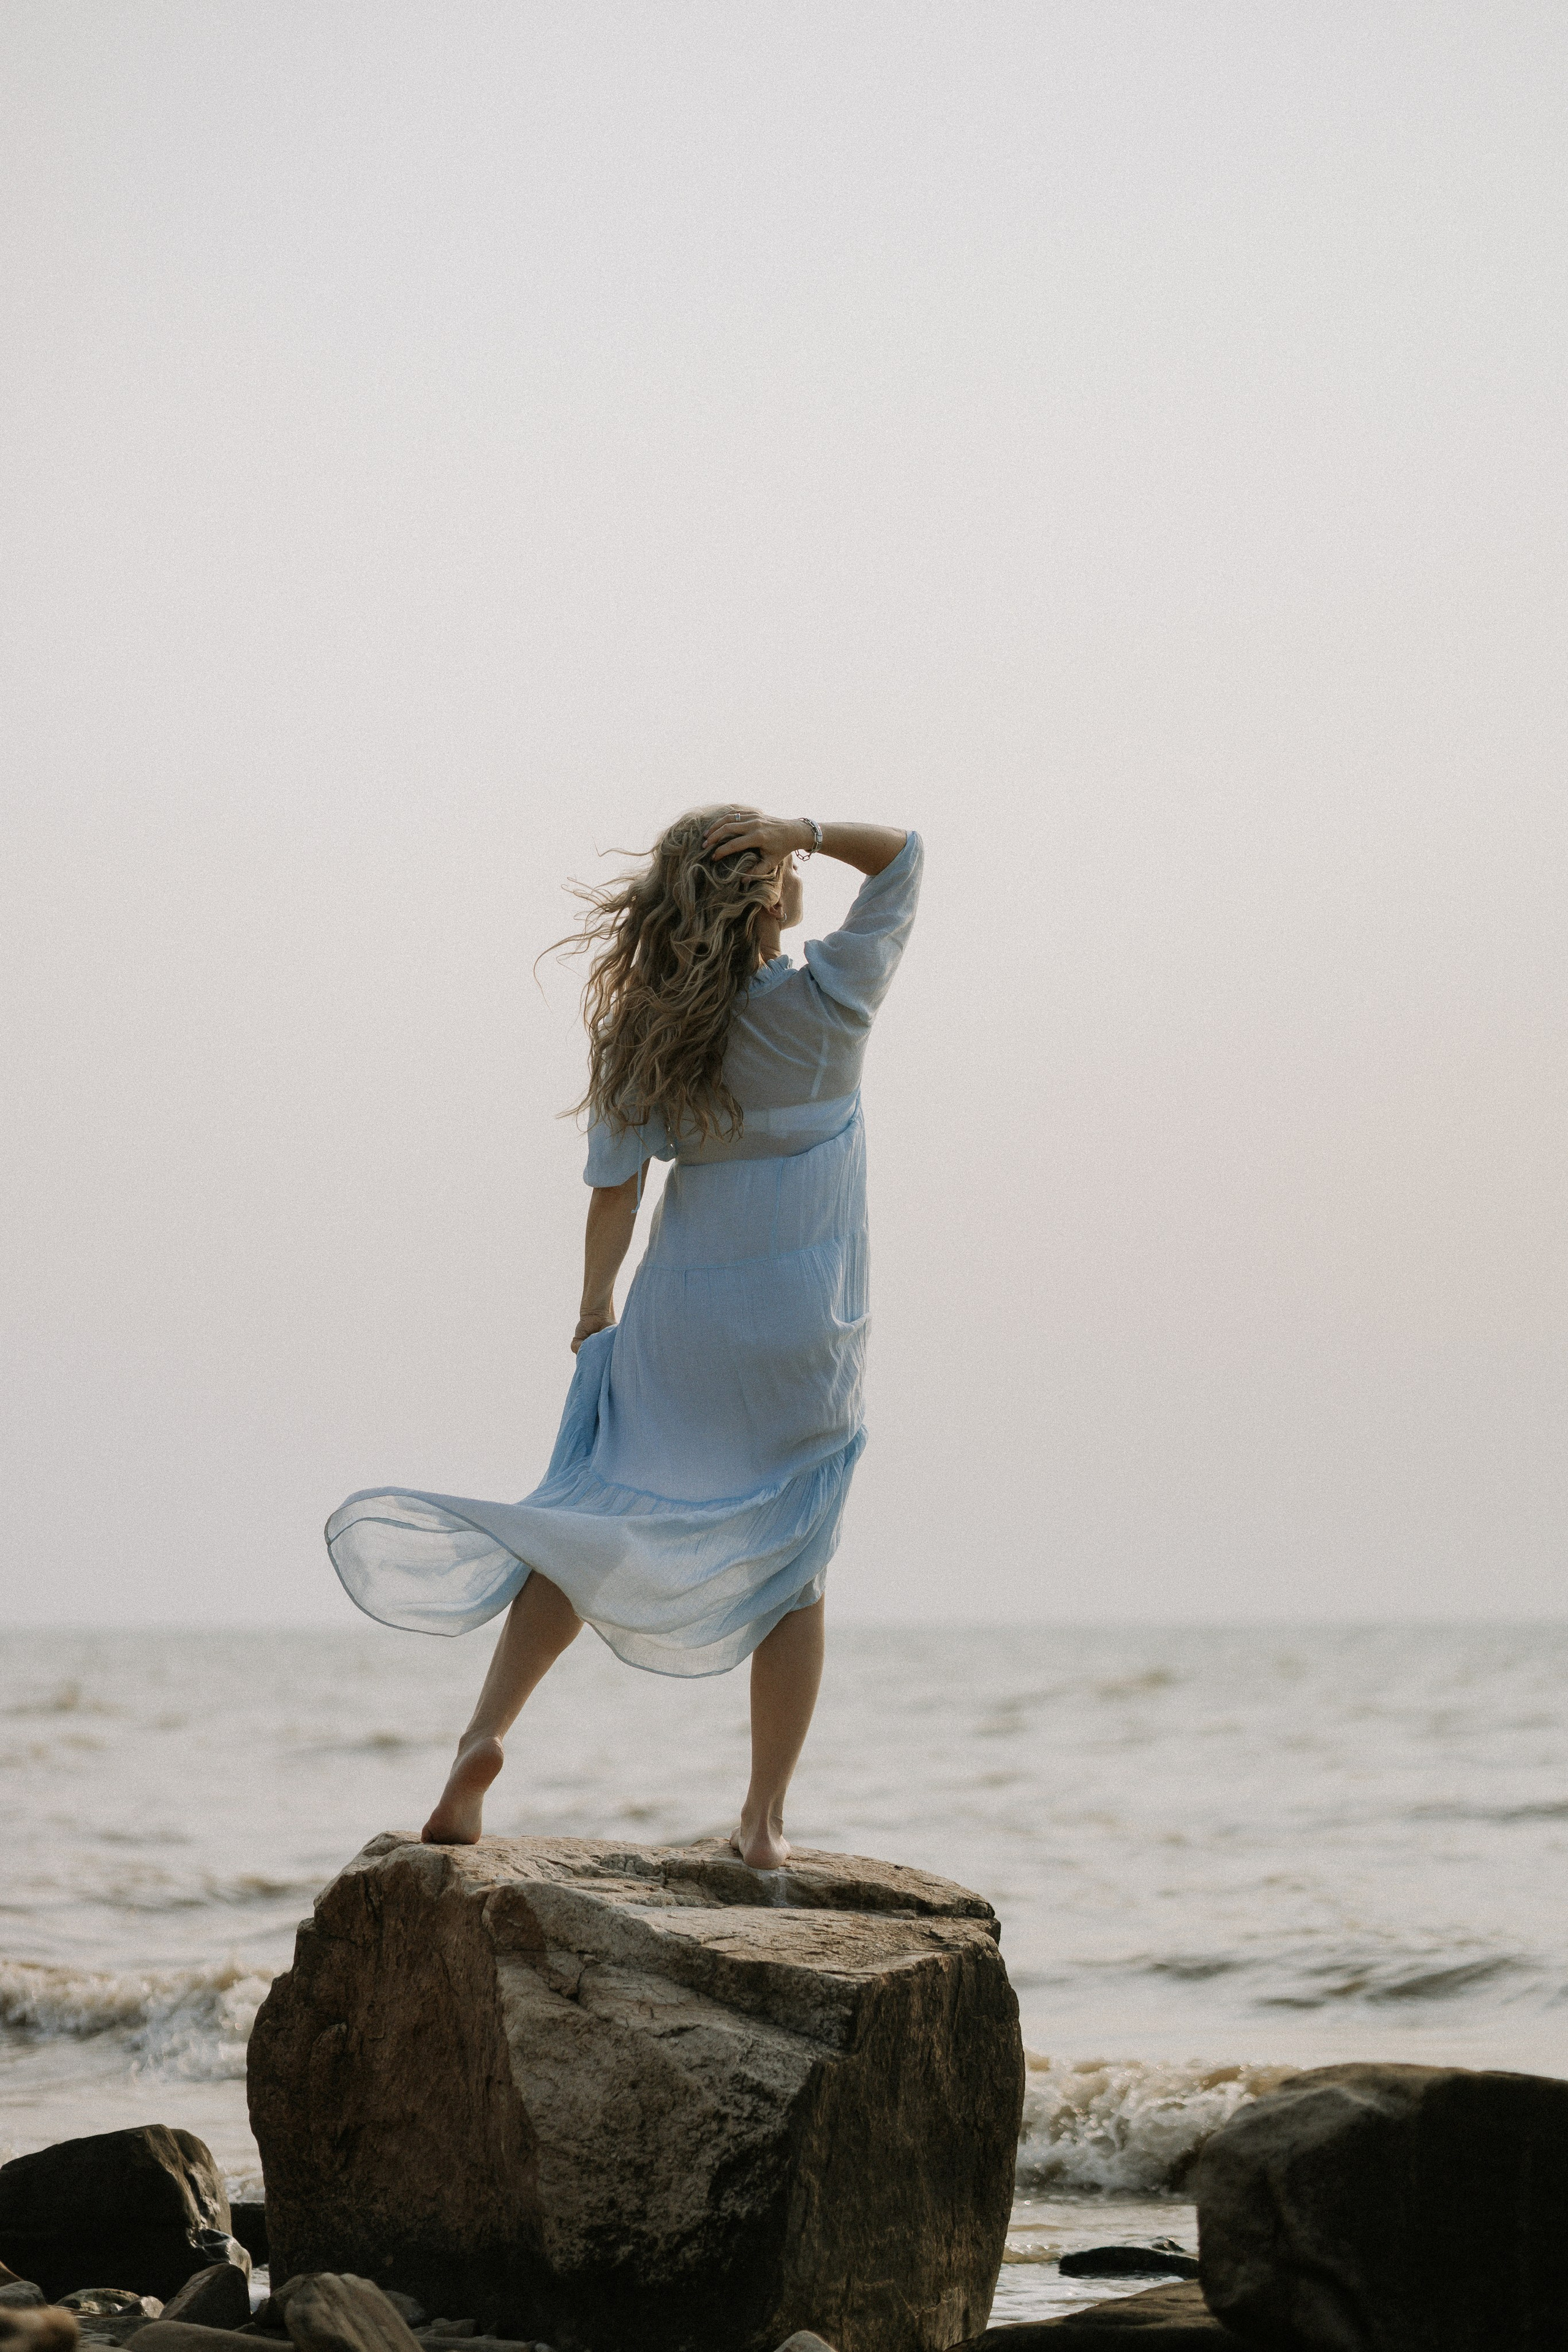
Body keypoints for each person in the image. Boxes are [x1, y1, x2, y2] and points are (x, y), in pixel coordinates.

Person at [325, 809, 922, 1865]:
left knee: (590, 1510)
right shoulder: (831, 1001)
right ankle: (763, 1820)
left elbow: (615, 1194)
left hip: (683, 1315)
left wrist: (595, 1310)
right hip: (805, 1332)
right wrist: (809, 825)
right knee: (799, 1561)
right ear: (758, 896)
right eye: (786, 870)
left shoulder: (651, 1032)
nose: (798, 879)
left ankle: (481, 1742)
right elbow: (906, 856)